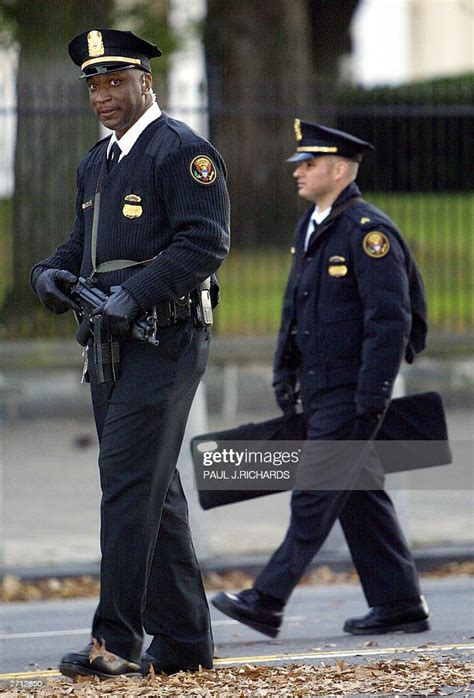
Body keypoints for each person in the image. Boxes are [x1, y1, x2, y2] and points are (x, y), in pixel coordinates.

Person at [30, 28, 230, 679]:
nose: (104, 96)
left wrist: (134, 295)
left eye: (116, 81)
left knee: (124, 486)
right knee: (153, 491)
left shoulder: (183, 153)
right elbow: (77, 247)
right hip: (110, 348)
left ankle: (115, 641)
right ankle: (185, 641)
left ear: (147, 81)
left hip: (165, 339)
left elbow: (205, 242)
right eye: (94, 84)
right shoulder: (97, 163)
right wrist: (48, 276)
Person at [212, 120, 430, 639]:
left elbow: (390, 319)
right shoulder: (313, 225)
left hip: (353, 392)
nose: (299, 172)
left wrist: (374, 394)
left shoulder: (366, 232)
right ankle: (400, 604)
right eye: (298, 164)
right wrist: (283, 371)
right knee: (358, 495)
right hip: (321, 387)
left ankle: (266, 599)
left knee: (314, 494)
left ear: (338, 169)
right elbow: (296, 306)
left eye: (309, 164)